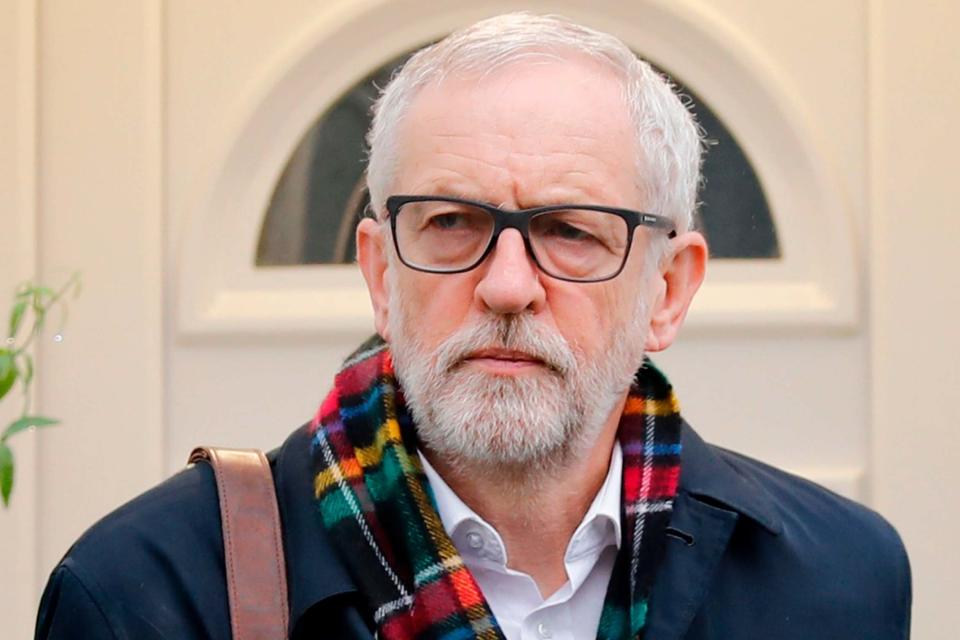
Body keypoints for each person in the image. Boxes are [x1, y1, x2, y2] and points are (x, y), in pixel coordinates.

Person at [35, 12, 911, 640]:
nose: (505, 286)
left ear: (668, 292)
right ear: (380, 272)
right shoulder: (147, 593)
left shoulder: (837, 579)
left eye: (571, 231)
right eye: (450, 223)